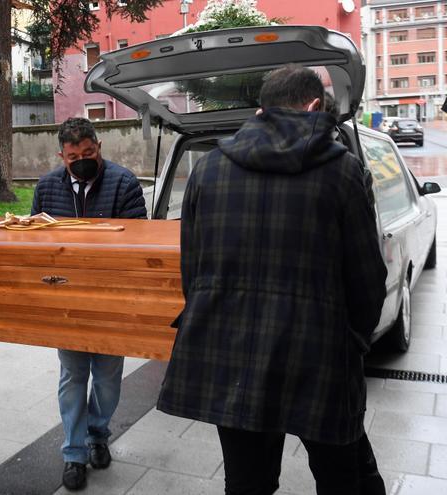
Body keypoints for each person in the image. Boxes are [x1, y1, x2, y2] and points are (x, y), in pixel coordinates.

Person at [157, 65, 388, 494]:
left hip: (231, 356)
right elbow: (368, 279)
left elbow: (194, 269)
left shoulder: (206, 170)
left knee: (247, 483)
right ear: (315, 106)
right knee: (345, 476)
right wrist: (353, 342)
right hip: (318, 357)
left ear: (261, 109)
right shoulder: (343, 171)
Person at [30, 117, 146, 491]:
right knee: (72, 377)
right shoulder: (48, 186)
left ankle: (98, 433)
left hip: (111, 300)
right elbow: (35, 240)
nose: (82, 159)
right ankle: (73, 453)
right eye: (73, 155)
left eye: (89, 153)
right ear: (61, 157)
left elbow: (137, 240)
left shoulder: (123, 182)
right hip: (66, 300)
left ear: (99, 147)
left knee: (109, 380)